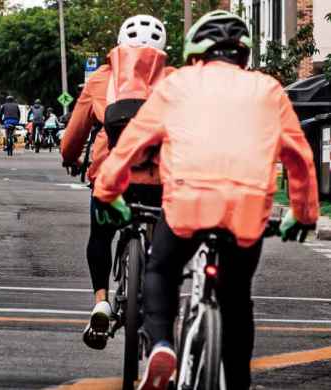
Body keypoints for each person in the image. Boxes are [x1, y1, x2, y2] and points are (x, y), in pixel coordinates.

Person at [93, 11, 318, 390]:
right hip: (246, 210)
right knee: (236, 299)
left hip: (187, 204)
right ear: (244, 55)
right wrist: (304, 214)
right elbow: (299, 156)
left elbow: (133, 143)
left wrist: (107, 193)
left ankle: (163, 344)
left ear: (195, 51)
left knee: (161, 269)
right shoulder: (269, 90)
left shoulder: (177, 85)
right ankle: (238, 380)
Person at [60, 14, 172, 351]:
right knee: (166, 246)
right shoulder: (173, 80)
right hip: (159, 181)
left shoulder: (100, 80)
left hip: (111, 179)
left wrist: (71, 159)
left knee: (101, 236)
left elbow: (73, 137)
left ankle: (101, 302)